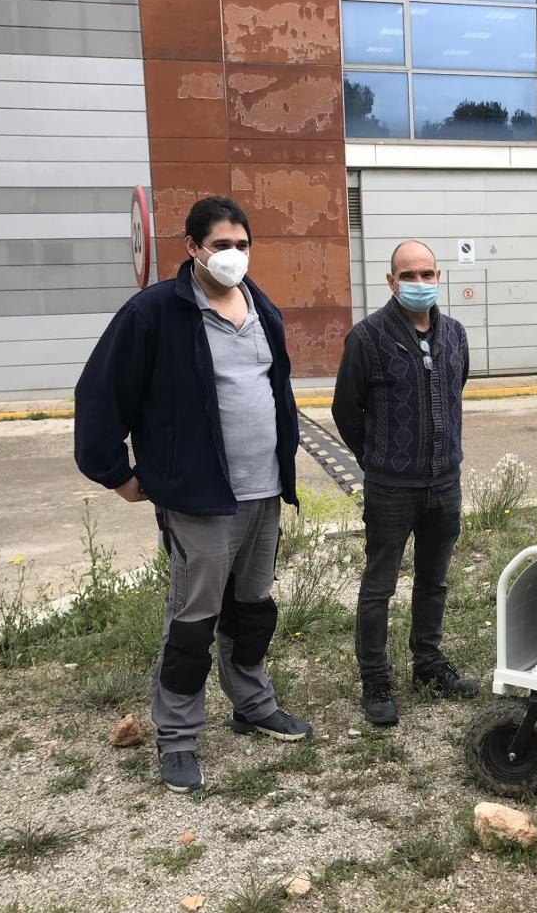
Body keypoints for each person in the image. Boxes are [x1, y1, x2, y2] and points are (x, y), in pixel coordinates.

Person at [74, 196, 311, 794]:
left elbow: (274, 394)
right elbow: (100, 393)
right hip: (198, 496)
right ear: (192, 249)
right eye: (220, 245)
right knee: (193, 619)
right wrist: (117, 474)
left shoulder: (264, 311)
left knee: (252, 609)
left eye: (241, 244)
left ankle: (252, 706)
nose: (233, 256)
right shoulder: (155, 314)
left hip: (262, 492)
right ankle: (177, 738)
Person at [331, 239, 477, 726]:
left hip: (445, 484)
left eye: (428, 274)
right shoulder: (367, 337)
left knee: (434, 581)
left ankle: (428, 664)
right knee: (380, 586)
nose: (420, 283)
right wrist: (377, 458)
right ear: (392, 282)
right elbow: (346, 411)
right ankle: (375, 678)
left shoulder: (455, 334)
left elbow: (455, 391)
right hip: (391, 488)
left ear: (439, 278)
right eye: (409, 275)